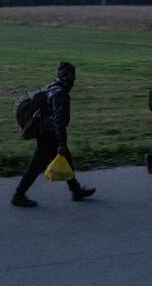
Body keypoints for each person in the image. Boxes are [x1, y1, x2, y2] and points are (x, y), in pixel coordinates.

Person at [11, 62, 96, 207]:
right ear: (65, 77)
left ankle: (75, 190)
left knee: (66, 158)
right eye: (72, 76)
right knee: (37, 164)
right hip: (48, 134)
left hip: (46, 131)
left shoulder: (53, 86)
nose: (74, 79)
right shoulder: (59, 93)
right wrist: (61, 143)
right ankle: (19, 195)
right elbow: (58, 120)